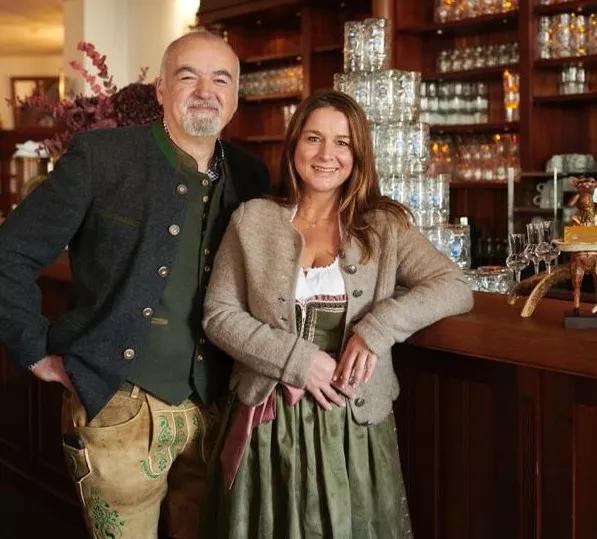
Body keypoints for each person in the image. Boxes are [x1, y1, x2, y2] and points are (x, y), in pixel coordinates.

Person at [0, 31, 269, 538]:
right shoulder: (102, 158)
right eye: (188, 76)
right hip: (118, 408)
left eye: (221, 80)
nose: (205, 91)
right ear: (162, 90)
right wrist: (33, 348)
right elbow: (9, 252)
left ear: (235, 96)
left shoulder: (252, 176)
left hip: (218, 411)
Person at [202, 89, 474, 538]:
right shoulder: (253, 219)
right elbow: (219, 314)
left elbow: (454, 286)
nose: (326, 154)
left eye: (342, 142)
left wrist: (376, 328)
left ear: (358, 153)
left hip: (354, 428)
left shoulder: (384, 226)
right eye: (313, 138)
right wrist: (298, 360)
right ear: (294, 145)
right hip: (269, 424)